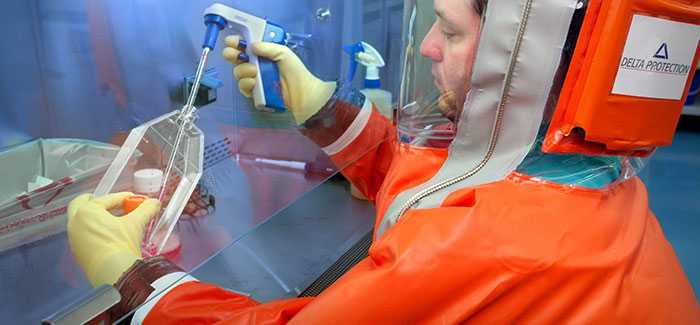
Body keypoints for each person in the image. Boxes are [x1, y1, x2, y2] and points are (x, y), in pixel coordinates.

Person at [67, 0, 699, 323]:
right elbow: (439, 188)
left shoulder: (496, 242)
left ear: (529, 54)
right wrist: (319, 109)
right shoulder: (584, 179)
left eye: (449, 31)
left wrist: (134, 278)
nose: (425, 44)